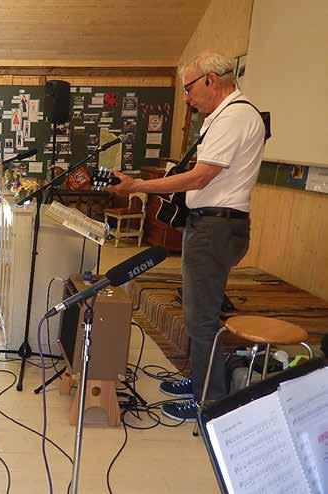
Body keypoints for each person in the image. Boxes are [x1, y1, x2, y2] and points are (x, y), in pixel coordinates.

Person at [108, 51, 265, 422]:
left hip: (215, 227)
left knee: (202, 318)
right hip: (214, 224)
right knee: (199, 311)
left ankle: (207, 400)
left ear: (211, 80)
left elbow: (200, 177)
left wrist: (140, 185)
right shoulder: (226, 116)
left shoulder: (235, 117)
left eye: (189, 89)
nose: (188, 98)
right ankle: (200, 379)